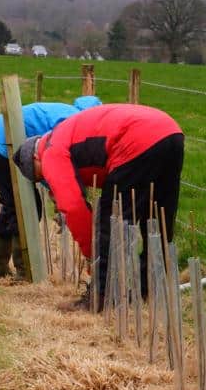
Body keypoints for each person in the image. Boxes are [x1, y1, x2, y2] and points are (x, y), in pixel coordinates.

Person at [12, 104, 184, 310]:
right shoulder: (65, 133)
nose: (46, 180)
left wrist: (94, 255)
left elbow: (73, 207)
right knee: (157, 216)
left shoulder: (51, 152)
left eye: (40, 175)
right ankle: (150, 288)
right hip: (170, 131)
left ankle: (101, 296)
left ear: (35, 158)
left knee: (111, 220)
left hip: (135, 140)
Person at [0, 96, 102, 279]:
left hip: (6, 141)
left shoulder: (72, 116)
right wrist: (61, 199)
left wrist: (59, 198)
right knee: (21, 206)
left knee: (15, 205)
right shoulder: (70, 122)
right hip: (3, 145)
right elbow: (53, 164)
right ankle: (24, 270)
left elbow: (51, 163)